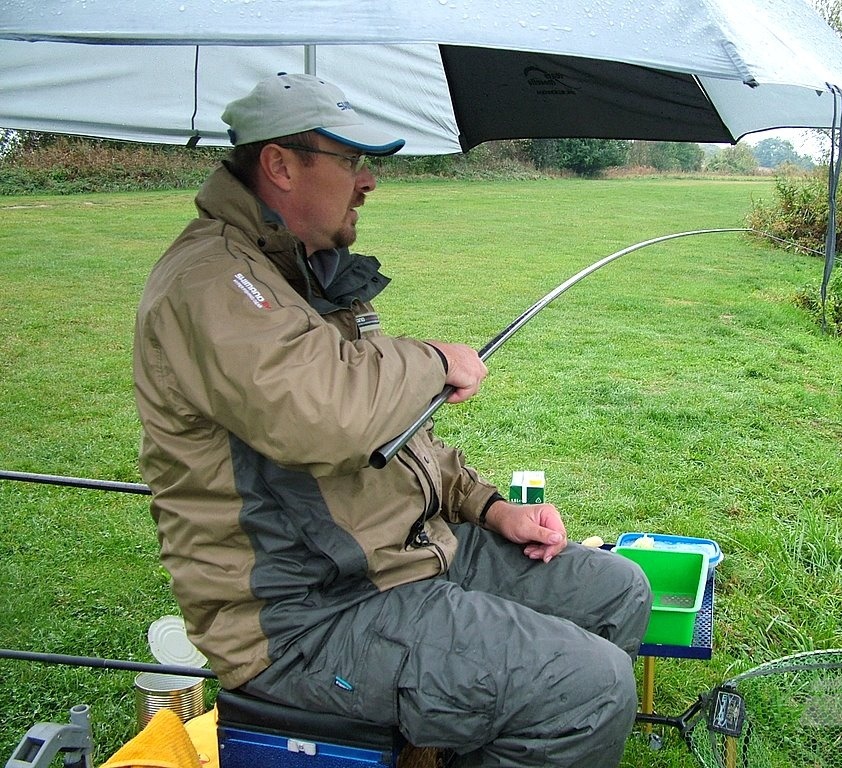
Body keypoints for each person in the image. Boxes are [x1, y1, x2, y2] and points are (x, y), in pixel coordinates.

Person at [133, 72, 652, 767]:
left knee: (616, 590)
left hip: (403, 557)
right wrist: (433, 360)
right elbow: (324, 415)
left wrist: (491, 507)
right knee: (588, 687)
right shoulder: (213, 283)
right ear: (281, 165)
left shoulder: (304, 274)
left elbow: (398, 439)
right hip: (309, 615)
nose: (368, 181)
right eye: (350, 160)